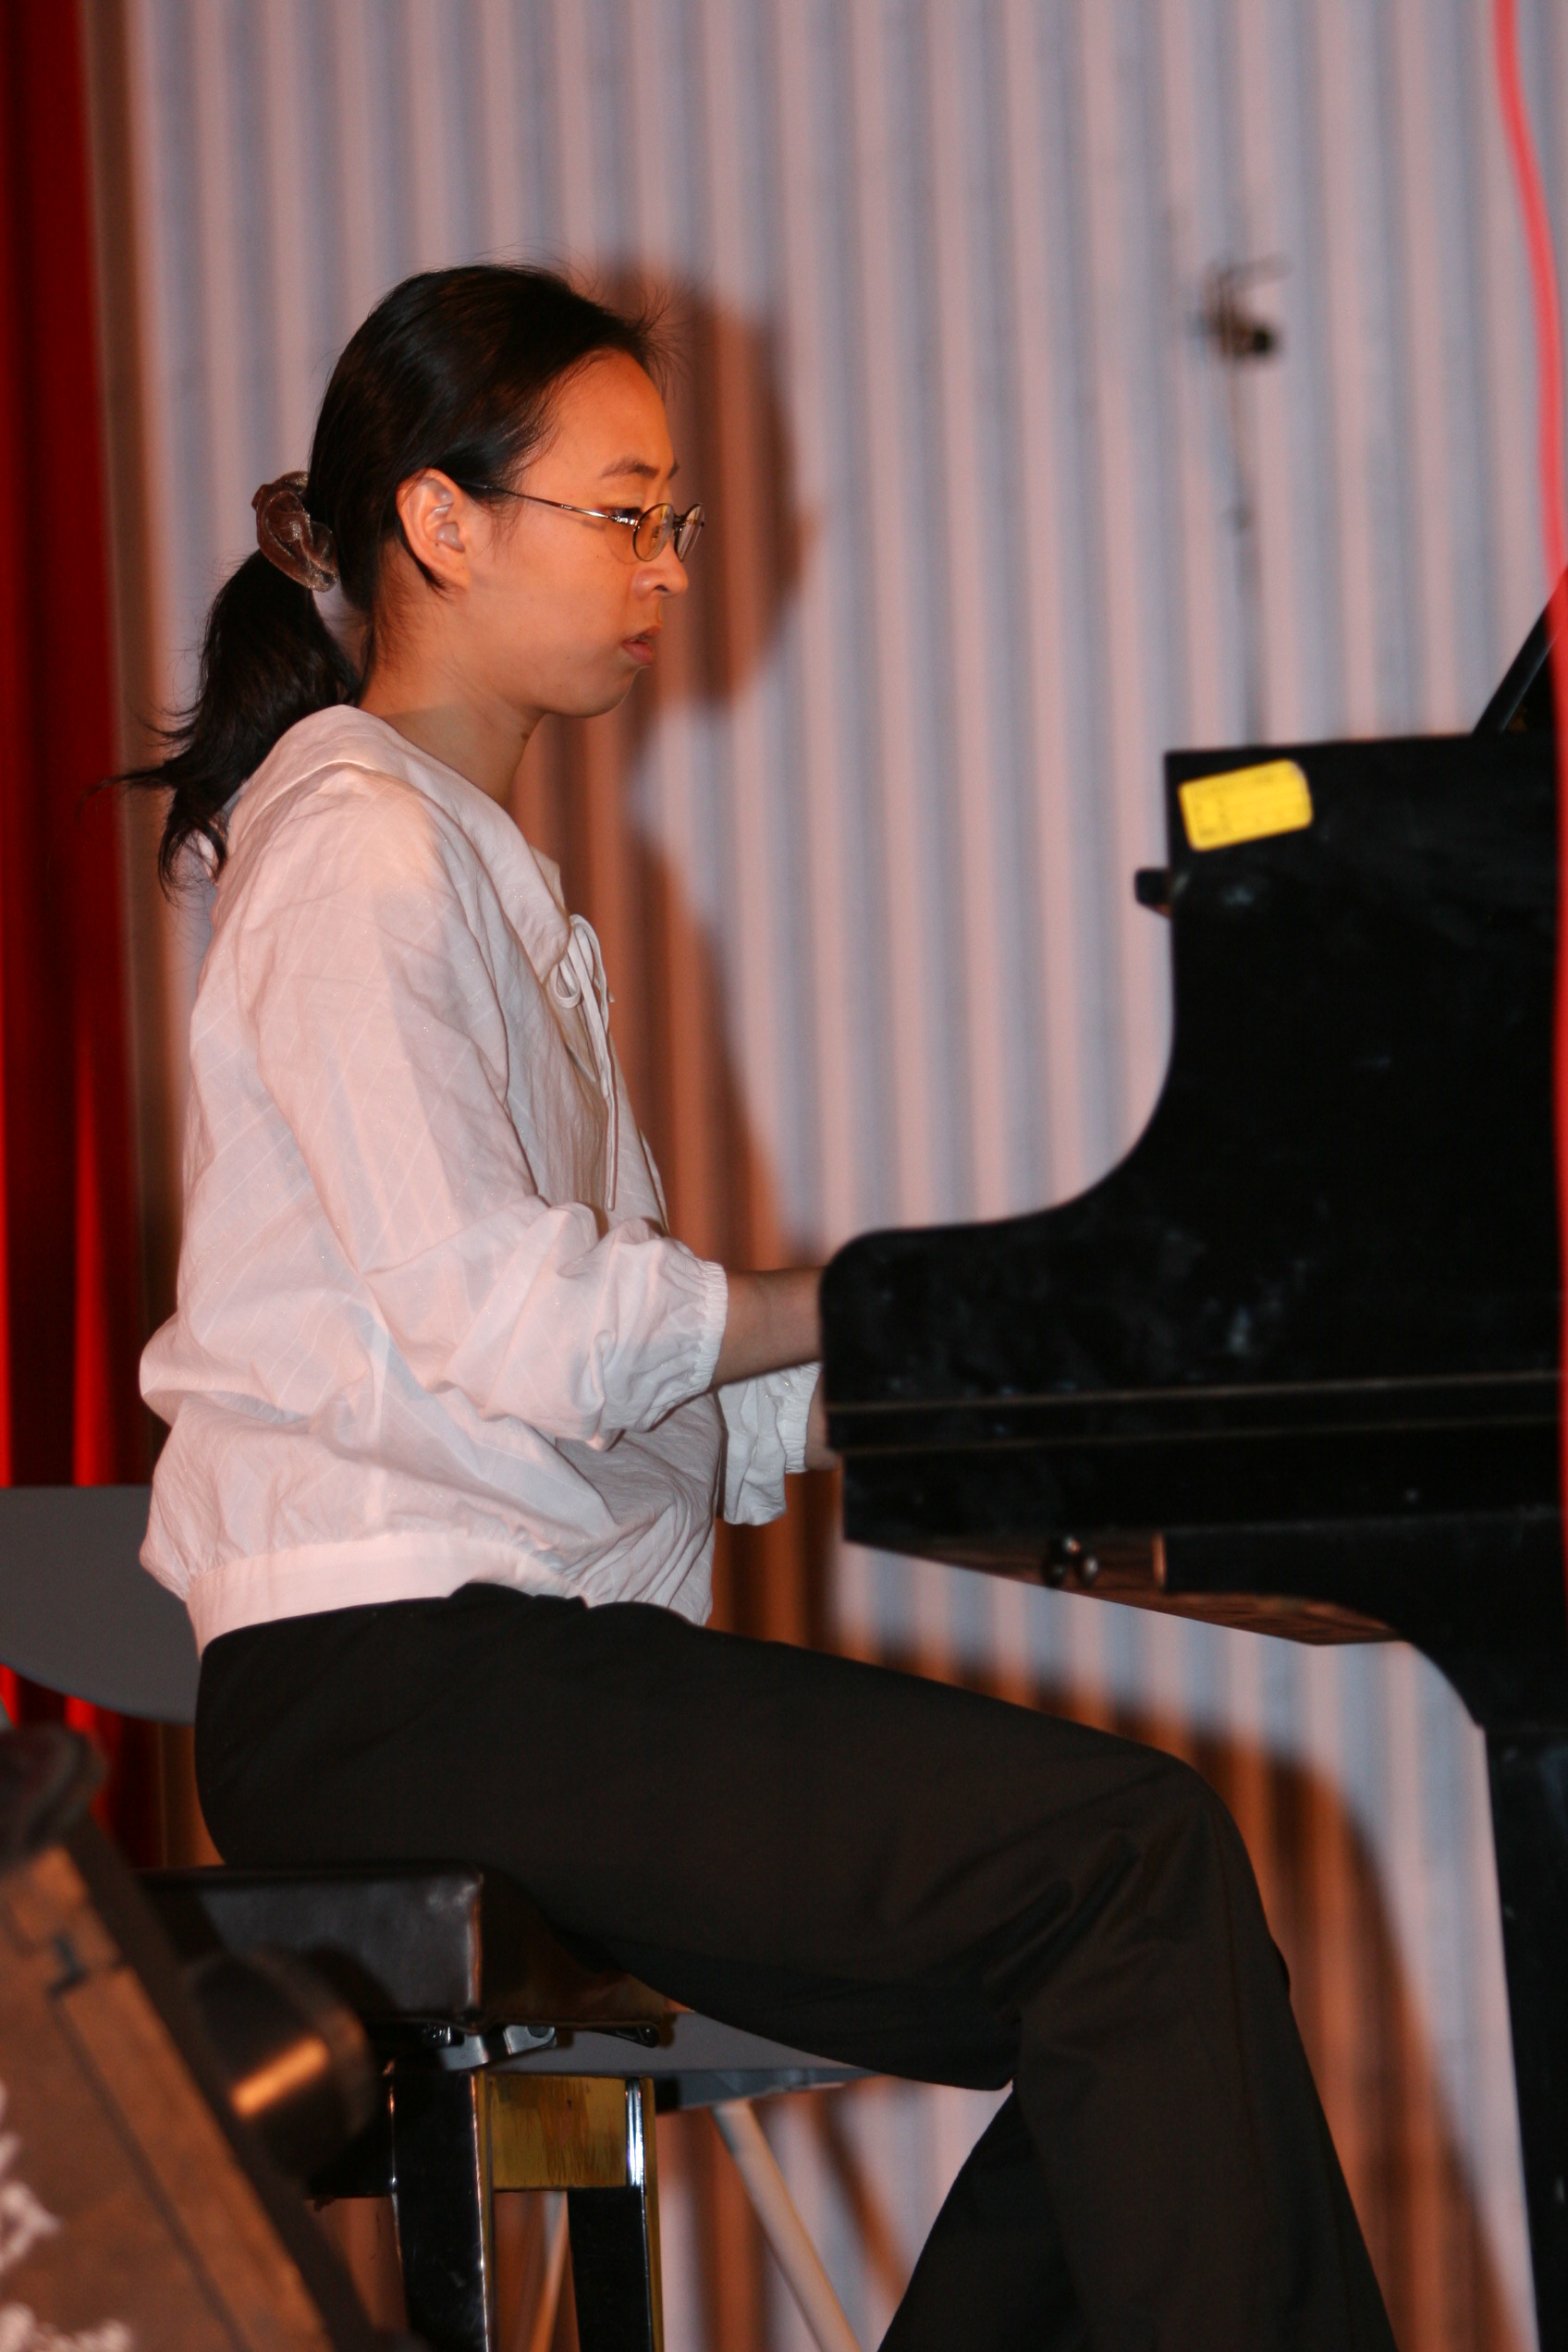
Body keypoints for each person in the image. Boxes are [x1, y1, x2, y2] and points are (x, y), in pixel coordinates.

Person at [133, 263, 1396, 2351]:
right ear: (442, 522)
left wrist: (1002, 1342)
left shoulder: (467, 868)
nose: (666, 569)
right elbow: (521, 1332)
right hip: (400, 1688)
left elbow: (660, 1409)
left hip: (503, 1665)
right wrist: (879, 1295)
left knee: (1134, 1949)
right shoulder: (356, 849)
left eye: (676, 520)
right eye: (623, 512)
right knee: (1132, 1870)